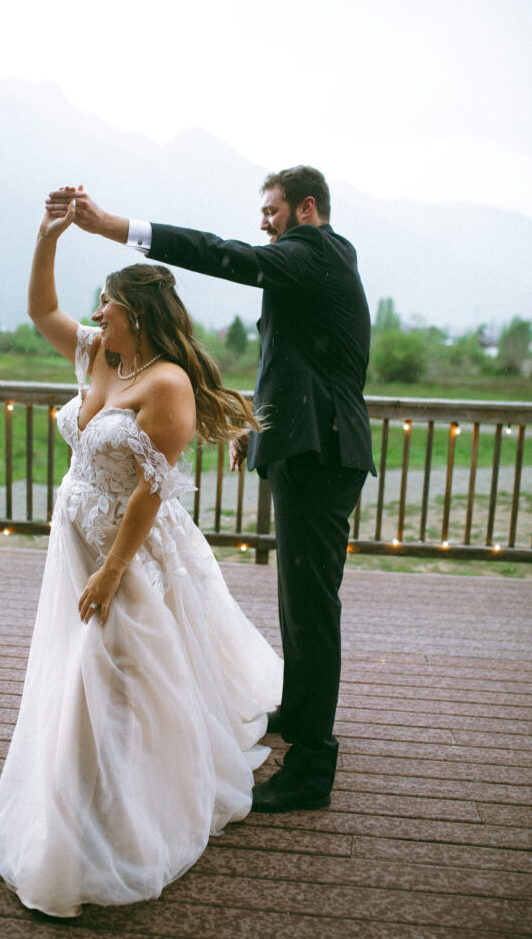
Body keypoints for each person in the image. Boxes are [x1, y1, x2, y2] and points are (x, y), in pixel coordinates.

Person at [0, 196, 283, 917]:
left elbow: (152, 491)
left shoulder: (166, 384)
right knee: (82, 665)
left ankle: (117, 815)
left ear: (136, 315)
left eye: (108, 306)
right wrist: (46, 237)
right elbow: (40, 308)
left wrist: (114, 570)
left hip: (129, 546)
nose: (96, 314)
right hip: (76, 534)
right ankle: (81, 797)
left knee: (115, 666)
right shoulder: (97, 356)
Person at [46, 166, 376, 814]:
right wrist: (258, 424)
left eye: (271, 210)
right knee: (296, 593)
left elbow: (225, 258)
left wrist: (119, 228)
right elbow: (298, 358)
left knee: (310, 603)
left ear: (306, 209)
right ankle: (300, 712)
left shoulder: (314, 251)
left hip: (323, 450)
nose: (263, 223)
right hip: (305, 444)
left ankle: (311, 767)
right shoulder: (311, 264)